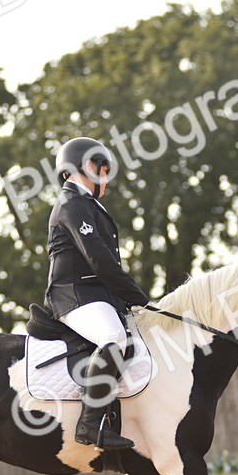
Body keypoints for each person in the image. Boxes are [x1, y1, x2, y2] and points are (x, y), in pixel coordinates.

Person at [43, 137, 151, 450]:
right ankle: (90, 426)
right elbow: (99, 259)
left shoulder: (89, 205)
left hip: (95, 295)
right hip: (73, 295)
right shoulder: (71, 203)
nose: (104, 175)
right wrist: (136, 296)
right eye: (99, 167)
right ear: (81, 167)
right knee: (114, 337)